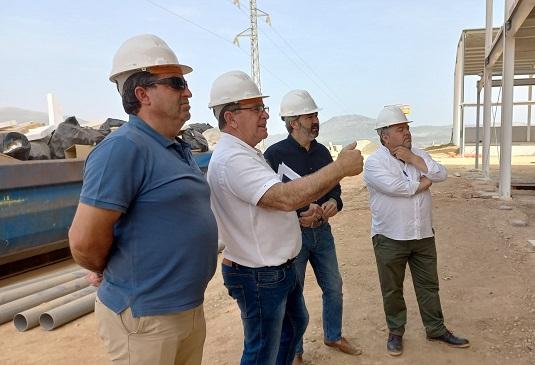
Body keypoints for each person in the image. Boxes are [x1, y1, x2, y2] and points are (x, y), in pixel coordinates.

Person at [68, 34, 219, 365]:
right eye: (177, 83)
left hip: (185, 309)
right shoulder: (123, 148)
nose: (189, 92)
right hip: (146, 319)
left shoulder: (175, 147)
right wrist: (108, 268)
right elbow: (83, 241)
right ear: (141, 94)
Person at [206, 71, 363, 365]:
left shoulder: (248, 153)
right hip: (260, 274)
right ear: (231, 117)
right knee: (262, 351)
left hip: (277, 267)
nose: (265, 115)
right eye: (256, 108)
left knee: (293, 326)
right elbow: (284, 197)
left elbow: (273, 203)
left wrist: (320, 205)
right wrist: (341, 167)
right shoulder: (234, 159)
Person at [264, 90, 362, 364]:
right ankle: (295, 351)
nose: (316, 120)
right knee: (293, 295)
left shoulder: (322, 153)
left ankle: (333, 335)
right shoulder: (274, 155)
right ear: (293, 122)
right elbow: (269, 201)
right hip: (292, 237)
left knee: (334, 286)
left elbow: (337, 191)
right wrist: (299, 214)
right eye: (310, 115)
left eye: (316, 114)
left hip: (323, 234)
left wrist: (333, 203)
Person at [363, 105, 469, 357]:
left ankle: (435, 328)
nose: (407, 132)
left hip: (422, 234)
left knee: (429, 285)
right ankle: (396, 332)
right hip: (390, 236)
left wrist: (414, 161)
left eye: (407, 128)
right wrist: (423, 180)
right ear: (385, 136)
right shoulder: (374, 163)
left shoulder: (418, 154)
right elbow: (397, 187)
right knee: (392, 288)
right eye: (400, 129)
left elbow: (441, 173)